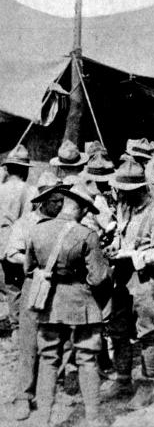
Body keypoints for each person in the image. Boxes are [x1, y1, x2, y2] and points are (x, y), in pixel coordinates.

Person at [25, 182, 110, 427]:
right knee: (86, 358)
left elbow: (29, 269)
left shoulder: (37, 230)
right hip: (81, 303)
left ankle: (43, 418)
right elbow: (97, 278)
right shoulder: (87, 235)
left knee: (48, 358)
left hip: (48, 302)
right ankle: (93, 418)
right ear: (81, 209)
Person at [103, 159, 154, 409]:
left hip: (145, 280)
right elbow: (123, 238)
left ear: (138, 189)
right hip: (122, 278)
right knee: (118, 329)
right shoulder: (125, 207)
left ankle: (147, 385)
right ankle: (123, 380)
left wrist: (132, 255)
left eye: (124, 191)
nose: (119, 195)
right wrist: (115, 248)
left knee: (147, 332)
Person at [6, 172, 66, 421]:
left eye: (61, 200)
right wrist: (31, 263)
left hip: (60, 287)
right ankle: (23, 396)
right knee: (29, 341)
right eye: (54, 201)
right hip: (34, 283)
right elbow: (11, 253)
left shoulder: (65, 223)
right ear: (42, 200)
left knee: (58, 338)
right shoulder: (26, 222)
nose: (59, 205)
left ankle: (54, 388)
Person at [0, 144, 36, 337]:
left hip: (2, 242)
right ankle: (22, 326)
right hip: (21, 242)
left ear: (8, 169)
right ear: (24, 170)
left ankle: (16, 326)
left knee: (11, 285)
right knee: (24, 283)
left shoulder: (1, 189)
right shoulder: (30, 191)